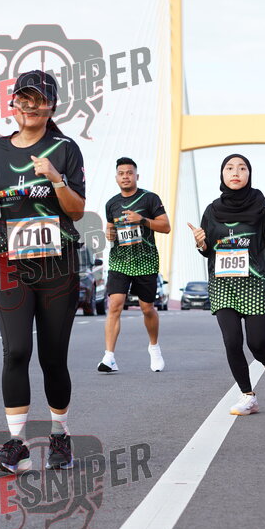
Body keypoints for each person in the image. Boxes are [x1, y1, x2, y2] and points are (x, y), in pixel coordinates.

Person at [0, 69, 86, 473]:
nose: (29, 106)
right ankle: (17, 444)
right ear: (13, 104)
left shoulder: (65, 149)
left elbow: (77, 209)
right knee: (17, 350)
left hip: (58, 264)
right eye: (22, 99)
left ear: (51, 107)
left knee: (53, 358)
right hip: (10, 263)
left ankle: (60, 435)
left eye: (37, 100)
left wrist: (56, 178)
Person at [188, 154, 265, 417]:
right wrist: (201, 243)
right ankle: (248, 396)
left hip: (256, 282)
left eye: (242, 168)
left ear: (249, 174)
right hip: (223, 284)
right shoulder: (212, 211)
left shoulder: (262, 207)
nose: (236, 172)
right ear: (222, 174)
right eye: (230, 168)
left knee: (256, 343)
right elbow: (207, 249)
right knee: (232, 341)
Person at [97, 157, 171, 373]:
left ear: (137, 176)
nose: (125, 177)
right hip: (120, 261)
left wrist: (142, 220)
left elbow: (165, 226)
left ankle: (154, 347)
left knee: (147, 308)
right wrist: (109, 233)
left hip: (146, 261)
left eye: (129, 173)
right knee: (115, 305)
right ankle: (109, 357)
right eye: (121, 173)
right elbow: (110, 229)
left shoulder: (150, 199)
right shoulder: (111, 203)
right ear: (116, 178)